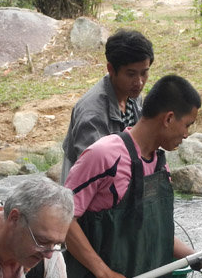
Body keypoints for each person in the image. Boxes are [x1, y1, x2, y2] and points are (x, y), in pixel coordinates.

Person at [64, 74, 201, 278]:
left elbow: (152, 233)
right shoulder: (104, 155)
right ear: (168, 118)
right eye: (187, 125)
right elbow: (62, 218)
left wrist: (201, 257)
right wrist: (103, 273)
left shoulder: (159, 161)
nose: (187, 134)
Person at [60, 29, 154, 182]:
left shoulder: (132, 96)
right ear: (111, 69)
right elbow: (95, 171)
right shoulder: (92, 114)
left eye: (144, 73)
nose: (139, 82)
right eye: (130, 74)